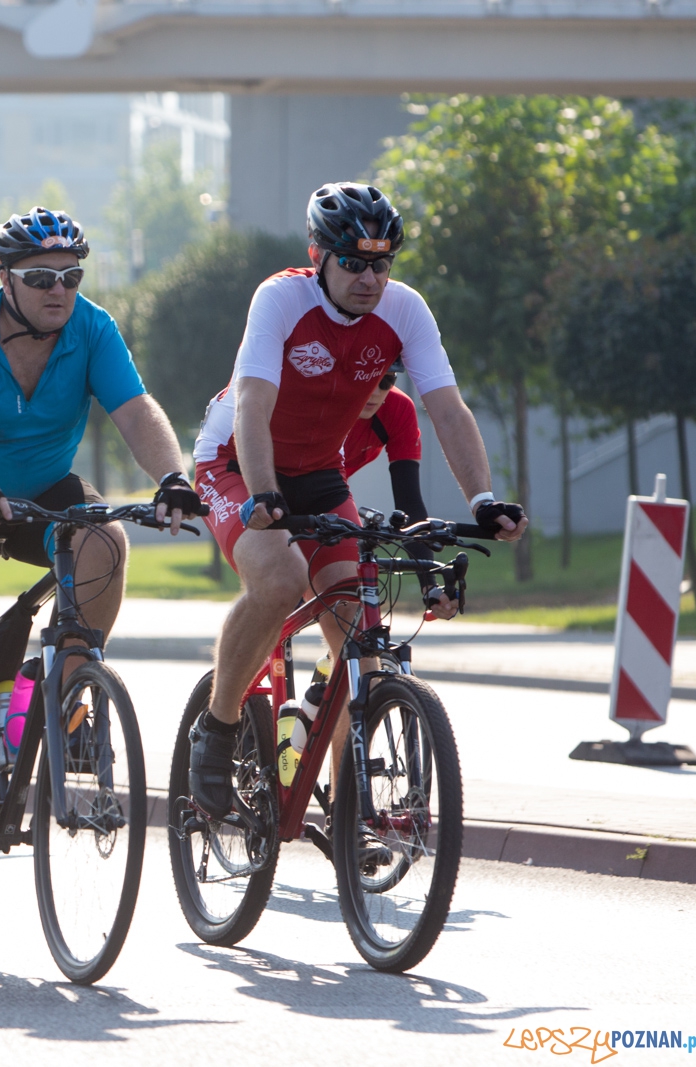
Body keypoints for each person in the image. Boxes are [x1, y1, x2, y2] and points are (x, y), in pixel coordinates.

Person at [0, 207, 204, 913]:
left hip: (40, 490)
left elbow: (137, 410)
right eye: (39, 278)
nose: (57, 290)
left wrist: (171, 477)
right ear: (4, 277)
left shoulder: (91, 328)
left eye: (69, 276)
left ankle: (70, 680)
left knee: (104, 539)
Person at [187, 182, 526, 820]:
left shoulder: (404, 310)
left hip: (317, 471)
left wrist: (482, 499)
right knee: (281, 578)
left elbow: (446, 409)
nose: (369, 278)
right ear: (318, 255)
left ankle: (351, 810)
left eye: (381, 263)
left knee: (356, 627)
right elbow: (254, 405)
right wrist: (263, 494)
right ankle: (220, 726)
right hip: (236, 461)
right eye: (352, 262)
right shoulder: (281, 298)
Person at [341, 359, 457, 620]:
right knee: (283, 587)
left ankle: (344, 659)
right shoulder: (325, 399)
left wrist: (430, 586)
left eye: (387, 381)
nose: (375, 392)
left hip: (329, 484)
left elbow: (410, 505)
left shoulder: (398, 408)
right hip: (267, 481)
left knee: (348, 598)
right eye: (368, 379)